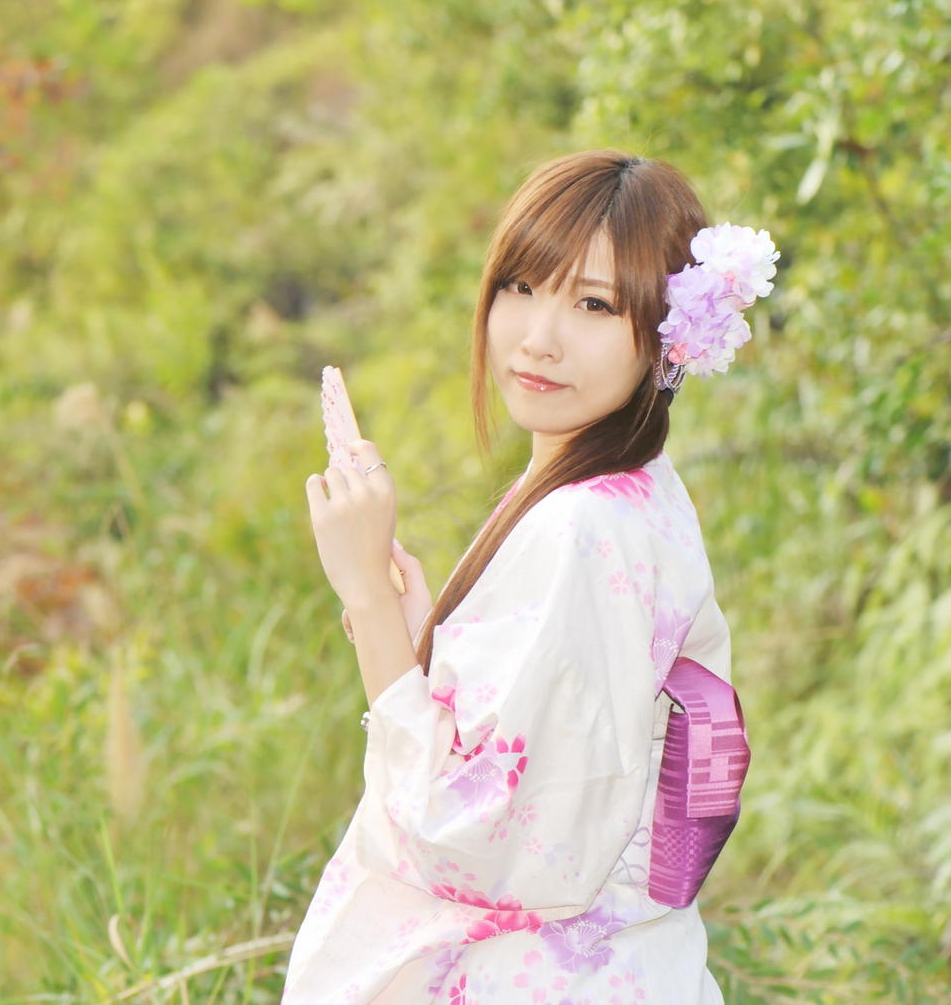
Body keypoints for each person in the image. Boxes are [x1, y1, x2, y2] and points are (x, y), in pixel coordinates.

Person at [286, 150, 778, 1003]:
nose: (538, 337)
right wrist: (423, 637)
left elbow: (477, 838)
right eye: (520, 286)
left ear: (669, 334)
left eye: (593, 304)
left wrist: (367, 598)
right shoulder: (627, 491)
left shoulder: (583, 527)